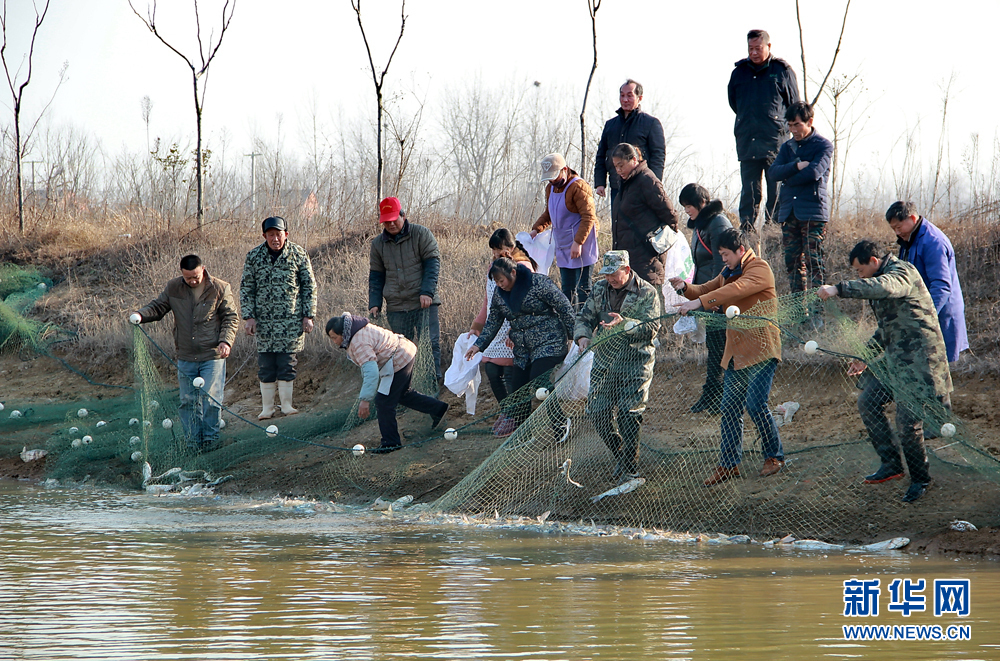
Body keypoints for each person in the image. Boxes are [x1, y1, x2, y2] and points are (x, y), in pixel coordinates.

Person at [817, 240, 954, 503]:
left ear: (873, 261)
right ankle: (891, 465)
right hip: (896, 362)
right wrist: (865, 358)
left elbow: (884, 287)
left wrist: (839, 289)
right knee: (868, 401)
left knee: (907, 423)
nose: (859, 276)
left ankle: (920, 479)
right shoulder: (881, 281)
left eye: (860, 270)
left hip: (920, 363)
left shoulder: (902, 273)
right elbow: (885, 329)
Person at [670, 228, 784, 485]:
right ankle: (728, 464)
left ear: (740, 250)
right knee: (729, 408)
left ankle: (774, 456)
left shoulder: (759, 268)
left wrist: (699, 303)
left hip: (762, 349)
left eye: (725, 254)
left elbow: (736, 290)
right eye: (720, 254)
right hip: (736, 353)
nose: (723, 259)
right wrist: (685, 288)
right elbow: (705, 290)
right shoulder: (726, 273)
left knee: (756, 405)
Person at [132, 255, 239, 452]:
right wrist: (140, 315)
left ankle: (211, 441)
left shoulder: (219, 287)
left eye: (196, 276)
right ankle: (192, 442)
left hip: (212, 355)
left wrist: (226, 341)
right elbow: (158, 307)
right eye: (188, 278)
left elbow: (231, 317)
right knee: (188, 402)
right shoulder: (174, 287)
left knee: (210, 400)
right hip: (186, 356)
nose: (193, 281)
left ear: (203, 269)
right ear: (182, 274)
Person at [575, 251, 662, 480]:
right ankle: (621, 454)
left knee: (628, 413)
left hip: (636, 361)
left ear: (626, 269)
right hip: (605, 361)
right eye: (607, 274)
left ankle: (630, 468)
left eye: (614, 274)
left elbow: (651, 329)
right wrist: (582, 336)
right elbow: (584, 318)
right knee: (597, 411)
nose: (610, 279)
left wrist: (626, 324)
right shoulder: (600, 289)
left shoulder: (647, 292)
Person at [465, 257, 575, 430]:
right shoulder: (500, 295)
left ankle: (560, 423)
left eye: (501, 280)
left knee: (539, 382)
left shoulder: (538, 283)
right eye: (496, 282)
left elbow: (564, 306)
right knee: (518, 392)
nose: (500, 285)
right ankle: (523, 431)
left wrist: (575, 336)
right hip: (523, 349)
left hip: (549, 341)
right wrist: (478, 345)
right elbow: (493, 320)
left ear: (513, 273)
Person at [327, 313, 448, 453]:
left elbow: (371, 372)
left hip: (399, 357)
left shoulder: (358, 342)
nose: (334, 342)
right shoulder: (354, 332)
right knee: (403, 394)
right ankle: (439, 409)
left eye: (335, 338)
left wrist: (365, 400)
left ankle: (391, 443)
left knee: (383, 401)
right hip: (403, 350)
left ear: (343, 333)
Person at [241, 216, 317, 420]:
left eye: (279, 234)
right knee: (266, 364)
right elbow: (247, 288)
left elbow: (309, 286)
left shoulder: (298, 254)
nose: (275, 239)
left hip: (290, 322)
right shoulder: (254, 256)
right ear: (264, 236)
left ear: (286, 234)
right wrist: (248, 317)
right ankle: (267, 408)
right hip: (264, 323)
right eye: (271, 235)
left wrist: (308, 315)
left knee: (287, 362)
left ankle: (286, 405)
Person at [729, 28, 801, 231]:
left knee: (776, 188)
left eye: (758, 48)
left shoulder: (782, 71)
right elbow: (734, 103)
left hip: (774, 141)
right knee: (750, 191)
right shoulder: (739, 73)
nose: (753, 53)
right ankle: (747, 231)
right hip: (747, 140)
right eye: (750, 48)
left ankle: (773, 229)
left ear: (768, 47)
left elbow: (794, 105)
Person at [469, 229, 537, 436]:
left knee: (511, 373)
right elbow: (488, 300)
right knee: (491, 370)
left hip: (513, 327)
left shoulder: (523, 268)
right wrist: (477, 325)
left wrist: (516, 331)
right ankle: (508, 411)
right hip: (495, 327)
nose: (495, 254)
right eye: (493, 251)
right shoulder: (494, 267)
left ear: (510, 248)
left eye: (498, 249)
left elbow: (527, 303)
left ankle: (519, 419)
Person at [769, 101, 834, 318]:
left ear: (810, 122)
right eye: (790, 125)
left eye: (798, 125)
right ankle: (798, 315)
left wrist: (789, 178)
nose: (794, 130)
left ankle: (817, 314)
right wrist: (796, 166)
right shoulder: (787, 147)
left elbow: (814, 173)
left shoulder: (823, 146)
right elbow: (773, 173)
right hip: (789, 212)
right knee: (792, 263)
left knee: (814, 262)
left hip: (813, 213)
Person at [368, 197, 443, 382]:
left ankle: (434, 382)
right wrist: (374, 303)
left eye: (394, 219)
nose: (391, 224)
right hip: (397, 306)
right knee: (400, 349)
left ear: (403, 215)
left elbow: (433, 264)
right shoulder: (377, 244)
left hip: (423, 303)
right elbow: (376, 276)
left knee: (430, 344)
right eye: (387, 221)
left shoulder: (421, 234)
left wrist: (427, 292)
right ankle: (405, 387)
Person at [885, 201, 968, 363]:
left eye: (898, 227)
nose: (896, 232)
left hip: (939, 314)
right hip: (919, 314)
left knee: (936, 369)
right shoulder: (909, 239)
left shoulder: (932, 241)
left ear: (912, 218)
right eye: (893, 229)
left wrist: (925, 317)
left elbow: (941, 286)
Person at [678, 183, 733, 413]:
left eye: (689, 205)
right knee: (714, 347)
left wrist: (713, 301)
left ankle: (720, 397)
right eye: (684, 207)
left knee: (721, 348)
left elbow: (722, 267)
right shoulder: (700, 227)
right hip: (706, 296)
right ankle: (711, 395)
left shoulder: (718, 223)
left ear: (701, 203)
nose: (686, 210)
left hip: (719, 301)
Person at [531, 153, 599, 308]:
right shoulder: (550, 188)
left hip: (582, 245)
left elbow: (589, 216)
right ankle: (569, 326)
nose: (552, 180)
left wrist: (578, 242)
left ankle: (584, 327)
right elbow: (549, 213)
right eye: (549, 177)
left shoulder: (578, 187)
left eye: (555, 176)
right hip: (563, 245)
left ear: (565, 170)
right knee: (567, 290)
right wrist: (537, 229)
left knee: (583, 290)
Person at [610, 142, 680, 286]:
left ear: (634, 160)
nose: (618, 170)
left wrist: (657, 243)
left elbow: (670, 215)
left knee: (652, 304)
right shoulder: (625, 184)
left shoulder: (647, 180)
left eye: (621, 165)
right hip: (628, 262)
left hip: (647, 261)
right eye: (615, 166)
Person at [594, 79, 666, 206]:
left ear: (640, 98)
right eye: (622, 95)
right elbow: (601, 155)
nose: (625, 99)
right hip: (617, 187)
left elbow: (658, 156)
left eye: (629, 95)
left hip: (641, 188)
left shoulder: (651, 123)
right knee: (617, 225)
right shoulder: (610, 125)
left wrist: (654, 184)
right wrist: (600, 183)